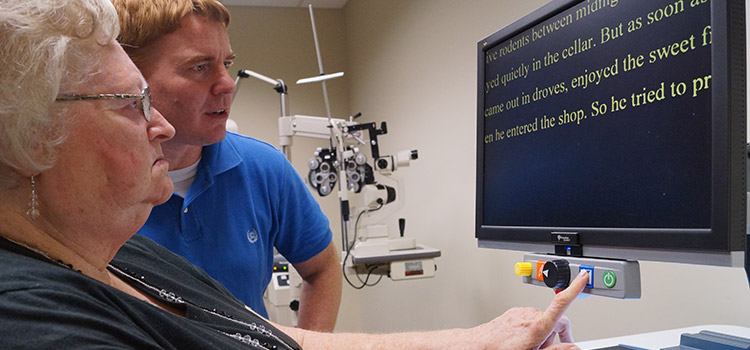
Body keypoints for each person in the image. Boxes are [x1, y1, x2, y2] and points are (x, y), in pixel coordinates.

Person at [0, 0, 592, 349]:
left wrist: (481, 337)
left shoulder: (122, 257)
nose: (155, 124)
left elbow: (284, 341)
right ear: (30, 137)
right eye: (133, 104)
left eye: (227, 64)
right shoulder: (32, 316)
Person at [110, 0, 342, 331]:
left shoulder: (264, 169)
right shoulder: (93, 184)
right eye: (199, 67)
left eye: (227, 63)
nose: (227, 83)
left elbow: (323, 267)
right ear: (131, 78)